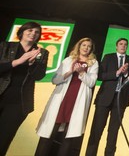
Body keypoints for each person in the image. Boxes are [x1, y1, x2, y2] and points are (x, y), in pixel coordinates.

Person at [35, 37, 99, 156]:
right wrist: (69, 72)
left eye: (89, 46)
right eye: (84, 45)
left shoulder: (93, 63)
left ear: (91, 49)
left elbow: (91, 83)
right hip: (62, 99)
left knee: (68, 137)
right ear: (79, 46)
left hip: (77, 101)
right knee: (49, 132)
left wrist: (81, 72)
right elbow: (55, 80)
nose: (86, 48)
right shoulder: (68, 60)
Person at [0, 21, 49, 156]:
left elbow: (39, 76)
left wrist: (32, 64)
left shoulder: (42, 53)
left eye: (36, 32)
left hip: (19, 103)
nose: (33, 34)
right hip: (1, 94)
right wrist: (18, 61)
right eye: (30, 30)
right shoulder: (5, 46)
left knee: (4, 139)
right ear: (22, 32)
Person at [85, 38, 129, 156]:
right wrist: (117, 73)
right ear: (116, 46)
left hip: (121, 100)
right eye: (120, 44)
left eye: (125, 44)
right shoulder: (108, 57)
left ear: (127, 47)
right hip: (104, 99)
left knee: (113, 132)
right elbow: (100, 76)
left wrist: (125, 73)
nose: (123, 46)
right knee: (96, 130)